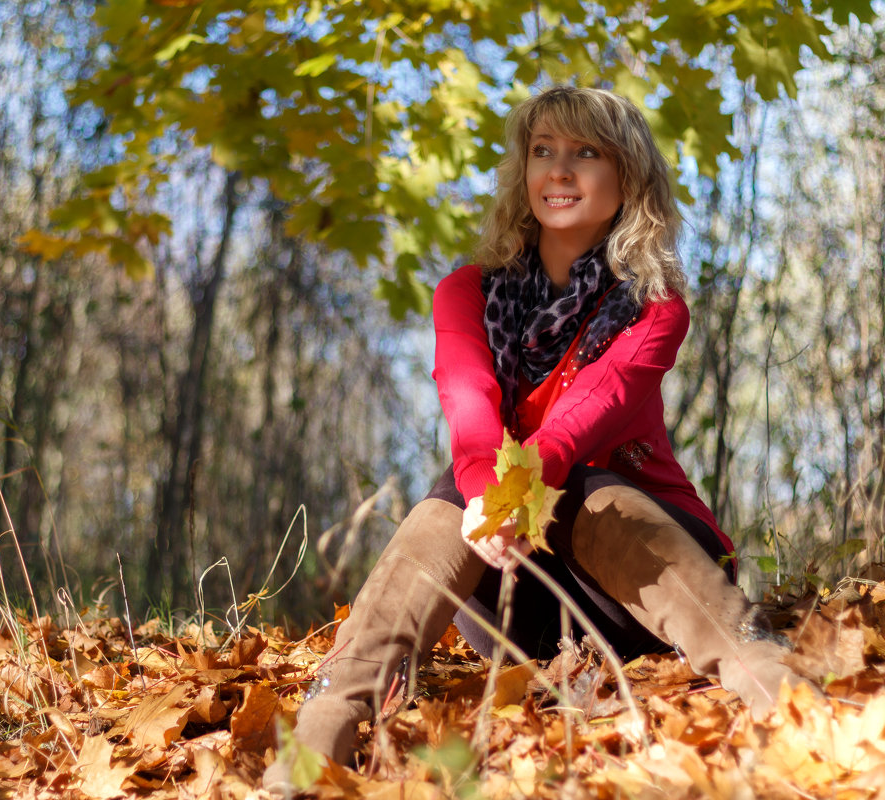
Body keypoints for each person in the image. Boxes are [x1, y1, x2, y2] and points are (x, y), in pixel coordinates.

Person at [266, 85, 812, 789]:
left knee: (575, 482)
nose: (559, 170)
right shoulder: (466, 292)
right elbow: (469, 410)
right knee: (446, 498)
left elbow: (587, 415)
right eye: (543, 151)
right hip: (522, 599)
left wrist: (511, 497)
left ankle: (774, 681)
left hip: (650, 582)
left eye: (586, 153)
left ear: (628, 179)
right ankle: (315, 745)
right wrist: (491, 502)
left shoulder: (654, 308)